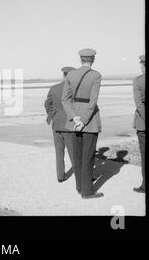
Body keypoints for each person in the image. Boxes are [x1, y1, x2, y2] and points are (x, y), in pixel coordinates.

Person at [62, 48, 104, 199]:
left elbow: (65, 99)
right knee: (88, 156)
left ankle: (79, 187)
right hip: (89, 121)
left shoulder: (71, 74)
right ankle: (87, 191)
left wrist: (74, 118)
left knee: (77, 156)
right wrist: (84, 121)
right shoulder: (96, 75)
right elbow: (93, 102)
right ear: (93, 59)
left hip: (74, 121)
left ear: (80, 59)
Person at [44, 66, 76, 182]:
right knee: (73, 152)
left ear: (63, 75)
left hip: (56, 124)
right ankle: (79, 174)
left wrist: (53, 115)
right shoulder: (74, 90)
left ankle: (60, 176)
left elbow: (48, 104)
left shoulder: (54, 88)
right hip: (70, 124)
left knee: (59, 152)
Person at [133, 55, 145, 193]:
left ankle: (145, 185)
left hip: (143, 123)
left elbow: (139, 104)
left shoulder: (138, 81)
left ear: (142, 65)